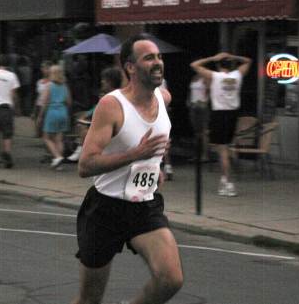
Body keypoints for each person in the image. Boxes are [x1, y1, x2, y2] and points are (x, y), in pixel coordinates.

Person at [72, 34, 183, 304]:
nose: (157, 63)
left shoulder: (163, 98)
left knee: (171, 279)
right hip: (105, 210)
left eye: (159, 57)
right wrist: (136, 154)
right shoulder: (112, 106)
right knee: (90, 300)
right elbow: (85, 165)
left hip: (144, 206)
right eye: (149, 58)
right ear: (130, 67)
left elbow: (155, 136)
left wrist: (155, 164)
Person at [190, 52, 252, 197]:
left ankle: (227, 182)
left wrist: (212, 58)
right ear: (231, 65)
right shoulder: (237, 75)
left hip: (219, 114)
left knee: (222, 150)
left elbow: (194, 65)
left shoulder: (215, 76)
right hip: (233, 113)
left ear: (219, 65)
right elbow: (248, 60)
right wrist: (234, 56)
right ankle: (226, 179)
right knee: (228, 147)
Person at [67, 66, 123, 162]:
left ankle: (82, 150)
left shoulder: (112, 97)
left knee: (84, 130)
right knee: (82, 124)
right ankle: (81, 149)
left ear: (110, 82)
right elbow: (96, 109)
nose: (102, 82)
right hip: (106, 125)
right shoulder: (107, 95)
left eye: (104, 80)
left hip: (112, 128)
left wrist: (89, 120)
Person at [37, 65, 71, 169]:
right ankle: (58, 164)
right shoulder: (65, 86)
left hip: (52, 112)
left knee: (46, 137)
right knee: (59, 139)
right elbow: (69, 102)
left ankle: (57, 157)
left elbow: (45, 102)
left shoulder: (49, 85)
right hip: (63, 112)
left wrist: (40, 116)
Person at [188, 73, 210, 161]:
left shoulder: (205, 77)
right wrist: (188, 100)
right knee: (196, 132)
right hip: (193, 105)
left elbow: (209, 91)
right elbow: (190, 91)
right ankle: (197, 155)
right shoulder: (193, 77)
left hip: (202, 105)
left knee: (204, 132)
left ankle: (205, 155)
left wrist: (206, 101)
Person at [33, 60, 53, 137]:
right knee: (37, 122)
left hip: (48, 105)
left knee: (45, 123)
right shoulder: (39, 82)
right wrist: (34, 108)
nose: (45, 70)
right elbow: (38, 95)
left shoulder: (53, 82)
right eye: (43, 68)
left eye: (47, 68)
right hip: (39, 104)